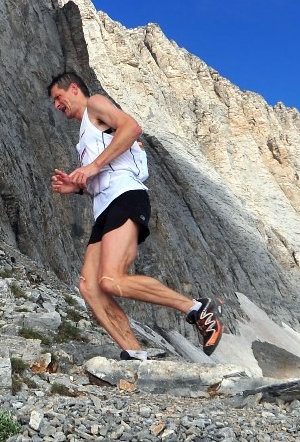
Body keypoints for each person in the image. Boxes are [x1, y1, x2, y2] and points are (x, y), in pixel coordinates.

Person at [48, 71, 223, 358]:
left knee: (111, 279)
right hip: (105, 205)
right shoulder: (84, 134)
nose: (57, 105)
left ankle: (197, 308)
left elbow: (131, 127)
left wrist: (92, 167)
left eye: (59, 97)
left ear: (75, 89)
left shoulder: (96, 104)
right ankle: (136, 355)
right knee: (89, 287)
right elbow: (108, 169)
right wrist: (78, 187)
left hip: (126, 196)